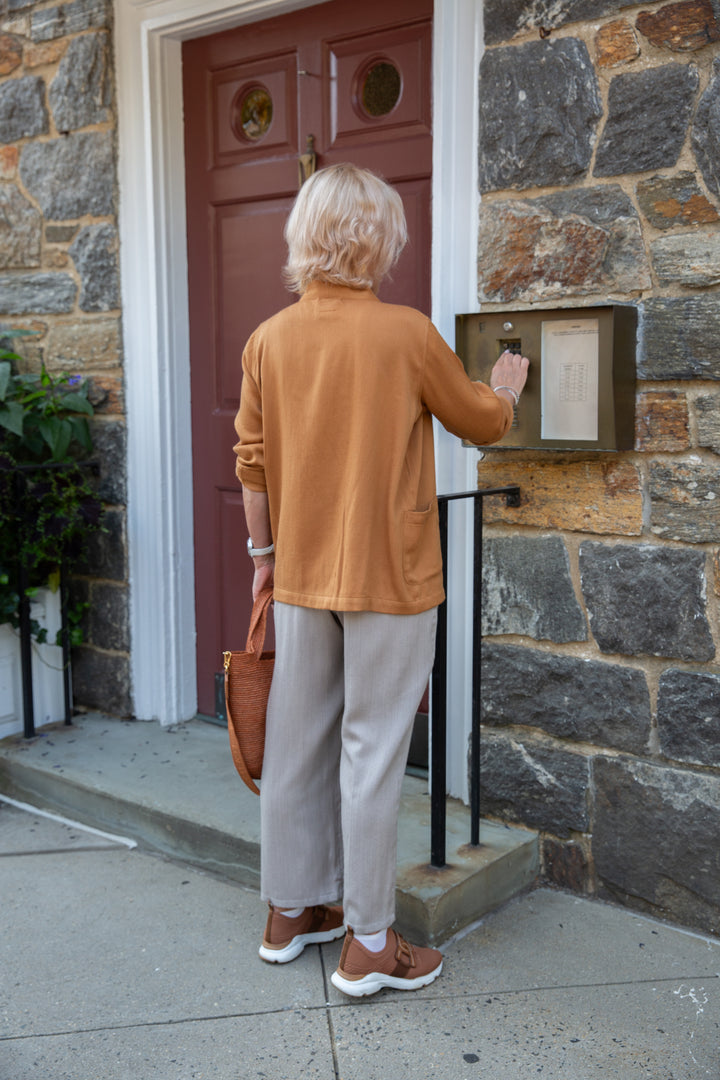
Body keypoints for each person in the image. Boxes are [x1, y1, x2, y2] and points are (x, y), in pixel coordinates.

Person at [234, 163, 528, 998]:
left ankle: (289, 915)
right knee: (371, 754)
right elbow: (478, 421)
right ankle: (369, 942)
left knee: (296, 746)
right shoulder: (404, 332)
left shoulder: (268, 338)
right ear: (379, 240)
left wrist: (263, 564)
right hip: (391, 576)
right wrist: (505, 389)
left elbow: (251, 466)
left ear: (304, 237)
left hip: (299, 576)